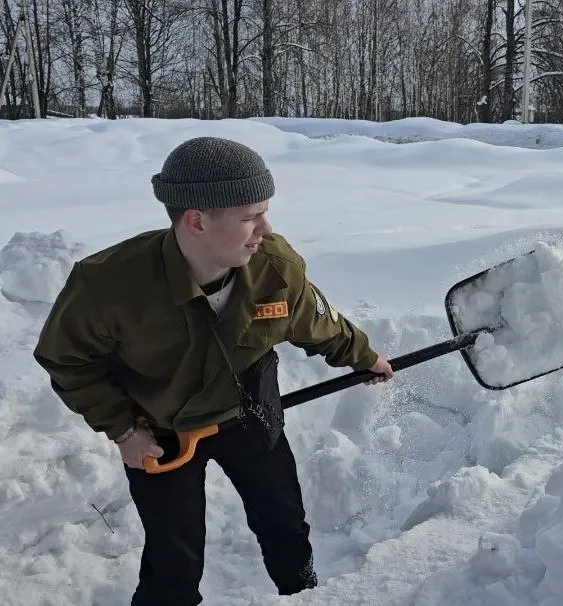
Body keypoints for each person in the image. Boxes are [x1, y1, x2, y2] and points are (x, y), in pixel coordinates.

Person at [33, 136, 395, 605]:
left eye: (265, 211)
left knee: (284, 522)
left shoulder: (274, 267)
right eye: (250, 216)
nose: (265, 227)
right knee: (174, 558)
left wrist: (365, 358)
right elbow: (66, 360)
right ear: (197, 220)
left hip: (249, 412)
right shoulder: (108, 286)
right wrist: (123, 431)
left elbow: (315, 321)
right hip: (164, 433)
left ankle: (303, 595)